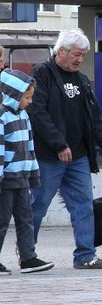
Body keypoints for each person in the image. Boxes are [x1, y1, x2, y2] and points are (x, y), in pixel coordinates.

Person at [28, 29, 102, 270]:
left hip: (78, 156)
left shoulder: (81, 80)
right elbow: (37, 113)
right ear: (62, 51)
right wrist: (59, 144)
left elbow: (95, 118)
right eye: (78, 55)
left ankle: (85, 255)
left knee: (83, 206)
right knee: (38, 205)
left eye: (84, 56)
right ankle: (27, 253)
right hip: (49, 156)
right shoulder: (42, 74)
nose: (80, 60)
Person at [0, 69, 54, 275]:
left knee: (26, 220)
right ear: (14, 95)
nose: (30, 102)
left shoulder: (24, 116)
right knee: (1, 221)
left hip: (22, 179)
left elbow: (30, 148)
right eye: (27, 97)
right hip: (6, 181)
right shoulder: (2, 116)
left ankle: (28, 258)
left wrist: (33, 174)